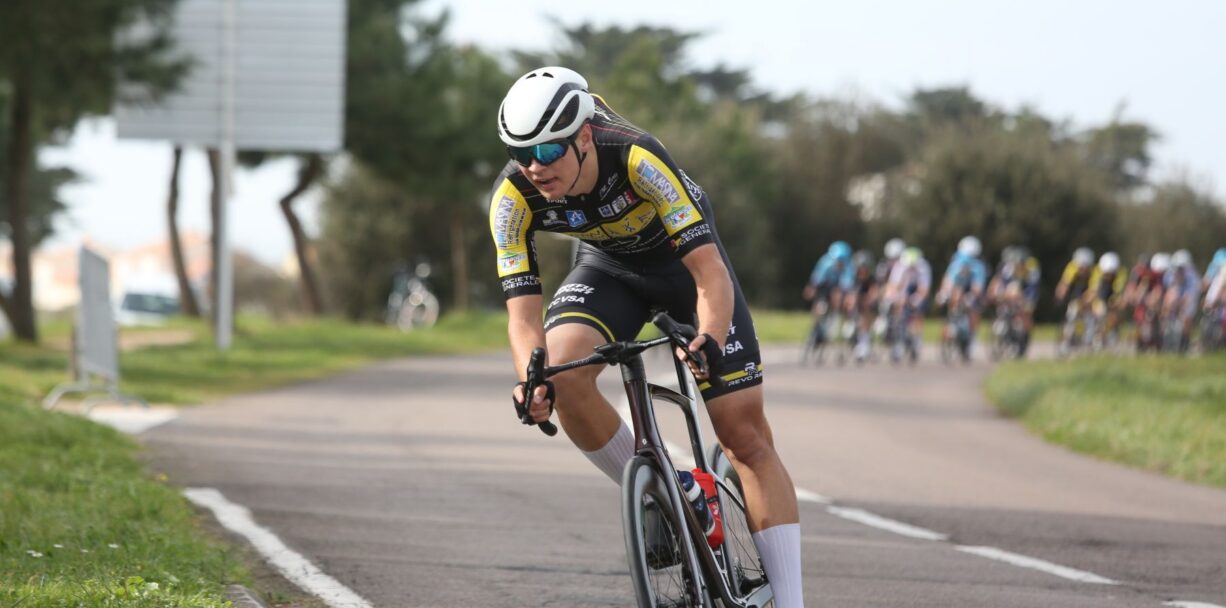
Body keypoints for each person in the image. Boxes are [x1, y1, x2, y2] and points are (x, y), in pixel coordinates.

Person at [489, 67, 804, 607]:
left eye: (547, 149)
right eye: (521, 153)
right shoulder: (512, 197)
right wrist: (532, 380)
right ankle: (673, 494)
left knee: (743, 434)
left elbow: (709, 274)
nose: (535, 166)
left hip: (685, 269)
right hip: (608, 270)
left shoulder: (637, 157)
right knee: (561, 376)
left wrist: (710, 336)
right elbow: (523, 319)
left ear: (583, 136)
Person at [936, 236, 988, 356]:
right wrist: (944, 293)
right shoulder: (955, 263)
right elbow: (948, 280)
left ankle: (972, 338)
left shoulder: (978, 266)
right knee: (953, 300)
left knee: (974, 310)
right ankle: (951, 325)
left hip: (972, 290)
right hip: (958, 289)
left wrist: (971, 296)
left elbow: (977, 287)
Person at [986, 246, 1040, 356]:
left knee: (1026, 312)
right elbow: (1000, 282)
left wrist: (1025, 300)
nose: (1016, 266)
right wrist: (995, 294)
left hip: (1027, 290)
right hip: (1013, 290)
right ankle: (1005, 326)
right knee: (1009, 293)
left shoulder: (1032, 268)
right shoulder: (1008, 268)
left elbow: (1033, 288)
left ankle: (1025, 336)